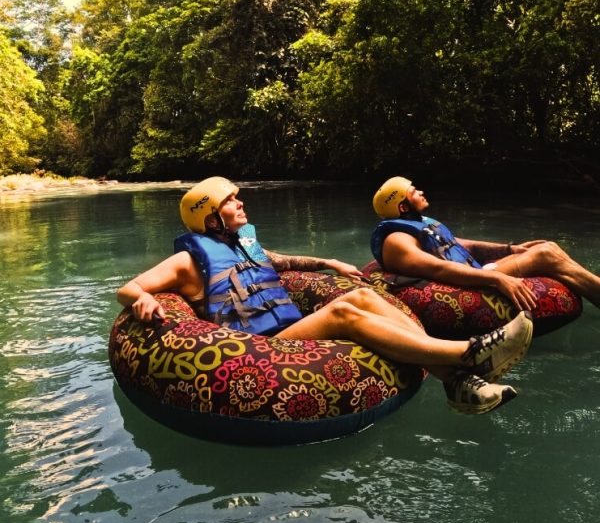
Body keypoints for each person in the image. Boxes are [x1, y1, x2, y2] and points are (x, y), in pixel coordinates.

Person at [117, 176, 533, 416]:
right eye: (230, 201)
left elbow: (281, 261)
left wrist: (329, 262)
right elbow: (129, 287)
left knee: (366, 298)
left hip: (289, 331)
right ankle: (469, 353)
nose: (241, 203)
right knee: (345, 310)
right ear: (210, 217)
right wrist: (141, 299)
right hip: (257, 349)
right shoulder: (188, 262)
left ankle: (457, 383)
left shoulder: (245, 246)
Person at [371, 175, 600, 311]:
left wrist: (511, 249)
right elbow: (438, 269)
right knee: (545, 254)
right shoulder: (396, 241)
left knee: (548, 247)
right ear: (403, 206)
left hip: (475, 272)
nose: (421, 192)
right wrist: (497, 278)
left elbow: (462, 245)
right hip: (461, 287)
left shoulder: (422, 223)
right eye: (413, 191)